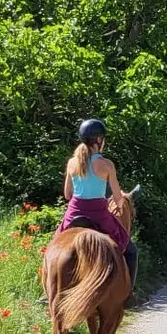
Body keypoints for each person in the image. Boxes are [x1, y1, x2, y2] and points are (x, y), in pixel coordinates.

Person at [56, 118, 138, 292]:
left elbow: (67, 195)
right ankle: (128, 292)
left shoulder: (72, 163)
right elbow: (117, 198)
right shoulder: (106, 165)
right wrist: (120, 202)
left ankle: (48, 291)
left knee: (55, 246)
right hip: (98, 214)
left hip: (74, 213)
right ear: (99, 140)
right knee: (130, 250)